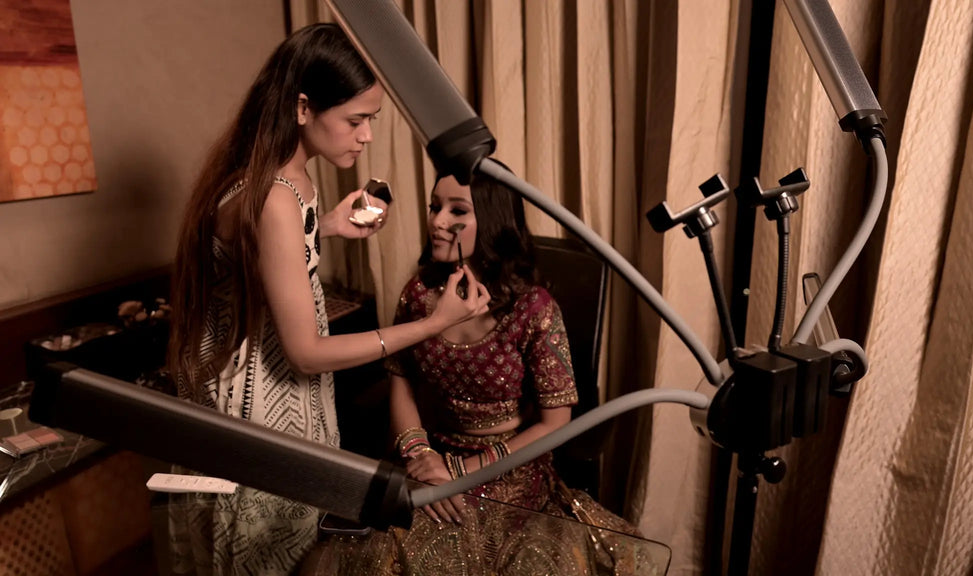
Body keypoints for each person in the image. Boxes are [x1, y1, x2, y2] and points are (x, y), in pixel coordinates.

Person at [166, 23, 490, 576]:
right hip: (256, 425)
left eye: (372, 121)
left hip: (293, 415)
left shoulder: (292, 181)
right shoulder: (273, 196)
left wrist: (328, 227)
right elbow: (307, 352)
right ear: (301, 108)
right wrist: (433, 324)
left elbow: (269, 253)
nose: (365, 137)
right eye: (355, 120)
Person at [301, 170, 660, 575]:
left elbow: (556, 423)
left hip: (509, 468)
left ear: (490, 219)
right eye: (435, 207)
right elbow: (400, 383)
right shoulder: (418, 295)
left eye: (457, 210)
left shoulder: (534, 310)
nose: (437, 221)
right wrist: (422, 457)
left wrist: (456, 474)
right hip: (429, 456)